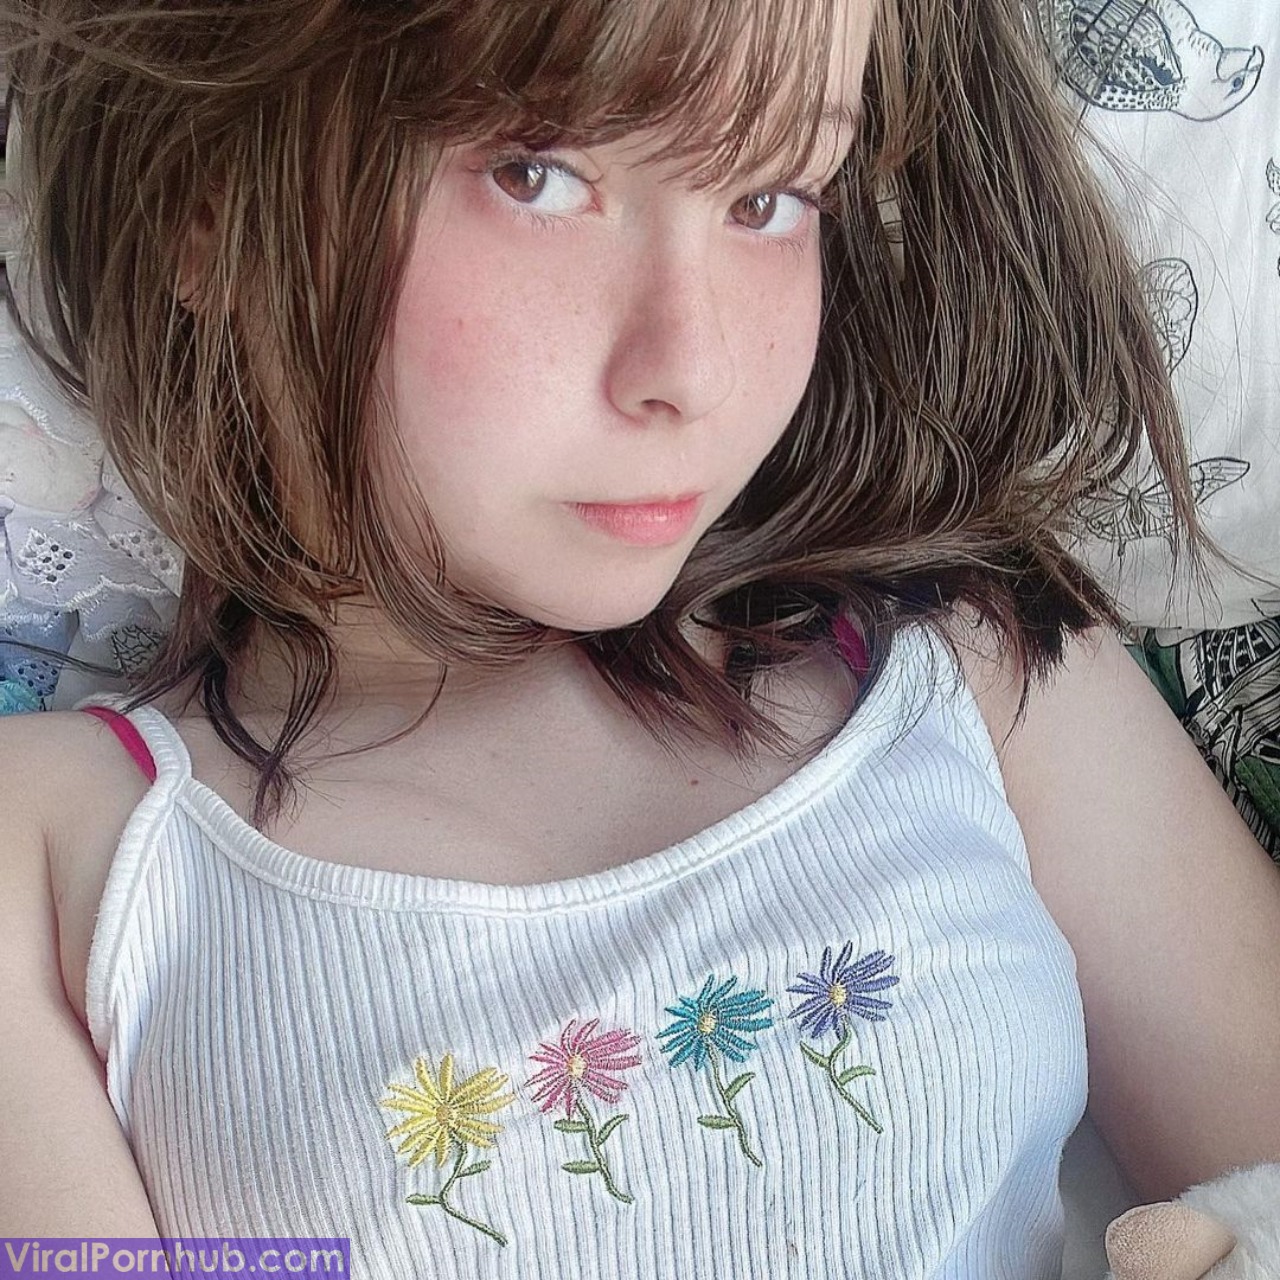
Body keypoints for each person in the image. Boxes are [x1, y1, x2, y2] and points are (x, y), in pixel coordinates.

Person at [1, 0, 1278, 1276]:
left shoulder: (966, 649)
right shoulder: (58, 856)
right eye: (535, 175)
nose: (692, 367)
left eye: (769, 197)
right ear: (205, 203)